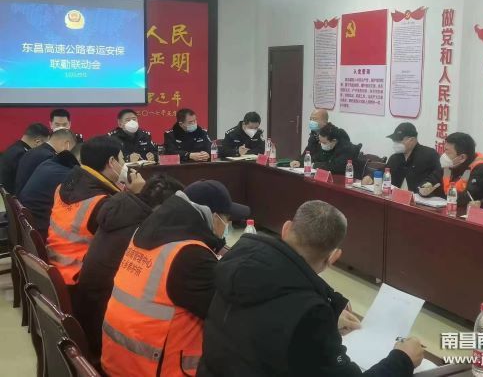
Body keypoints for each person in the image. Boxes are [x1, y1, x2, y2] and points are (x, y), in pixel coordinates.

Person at [198, 200, 424, 377]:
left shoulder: (236, 264)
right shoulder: (309, 313)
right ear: (333, 257)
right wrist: (402, 359)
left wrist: (330, 311)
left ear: (286, 229)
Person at [101, 180, 250, 376]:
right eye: (227, 219)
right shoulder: (189, 255)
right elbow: (229, 313)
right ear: (214, 218)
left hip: (119, 361)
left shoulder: (147, 231)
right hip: (152, 369)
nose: (227, 225)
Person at [76, 173, 184, 359]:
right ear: (161, 208)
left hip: (90, 315)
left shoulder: (121, 211)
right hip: (107, 334)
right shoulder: (143, 231)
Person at [46, 136, 145, 287]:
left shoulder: (64, 185)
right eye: (121, 159)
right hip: (79, 277)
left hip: (57, 266)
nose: (124, 164)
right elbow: (136, 231)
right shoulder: (100, 202)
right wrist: (137, 195)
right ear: (112, 162)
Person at [19, 143, 82, 239]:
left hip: (31, 226)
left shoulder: (49, 163)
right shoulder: (67, 176)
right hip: (43, 231)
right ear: (82, 161)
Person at [363, 123, 442, 195]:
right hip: (395, 199)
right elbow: (385, 170)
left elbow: (439, 173)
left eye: (399, 140)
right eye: (394, 140)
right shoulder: (395, 157)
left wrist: (429, 183)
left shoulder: (429, 154)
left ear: (412, 140)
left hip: (420, 200)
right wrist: (371, 176)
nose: (395, 143)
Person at [437, 132, 483, 207]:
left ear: (462, 157)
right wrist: (428, 185)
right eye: (444, 151)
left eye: (448, 152)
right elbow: (435, 178)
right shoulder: (452, 163)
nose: (444, 155)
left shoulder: (482, 169)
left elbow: (466, 198)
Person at [14, 128, 77, 196]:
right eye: (72, 149)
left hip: (21, 197)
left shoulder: (31, 151)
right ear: (67, 145)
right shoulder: (50, 158)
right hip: (33, 200)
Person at [0, 123, 49, 194]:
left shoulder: (14, 148)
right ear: (37, 142)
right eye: (45, 145)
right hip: (11, 196)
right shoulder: (23, 154)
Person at [290, 123, 357, 174]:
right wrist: (300, 162)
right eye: (320, 141)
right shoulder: (329, 145)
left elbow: (336, 167)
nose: (321, 144)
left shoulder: (346, 149)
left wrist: (315, 165)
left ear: (334, 141)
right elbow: (316, 157)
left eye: (324, 142)